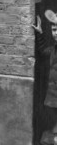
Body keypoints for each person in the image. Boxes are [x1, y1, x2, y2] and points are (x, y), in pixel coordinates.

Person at [32, 10, 57, 145]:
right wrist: (40, 33)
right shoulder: (53, 49)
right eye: (54, 30)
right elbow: (43, 52)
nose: (56, 33)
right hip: (53, 97)